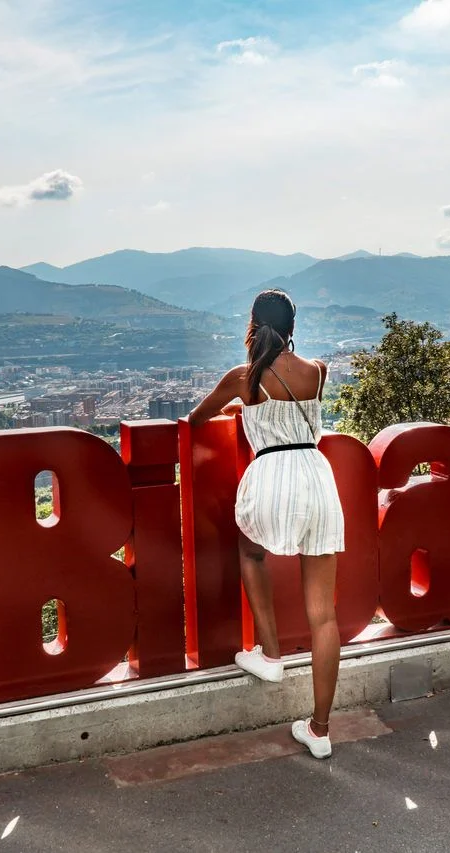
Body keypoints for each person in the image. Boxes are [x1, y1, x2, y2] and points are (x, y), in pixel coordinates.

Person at [188, 289, 345, 759]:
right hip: (317, 477)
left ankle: (270, 652)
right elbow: (294, 408)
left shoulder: (244, 377)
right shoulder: (318, 371)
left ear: (253, 325)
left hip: (273, 474)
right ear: (293, 327)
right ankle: (320, 730)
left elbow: (197, 419)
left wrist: (242, 407)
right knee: (324, 615)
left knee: (250, 550)